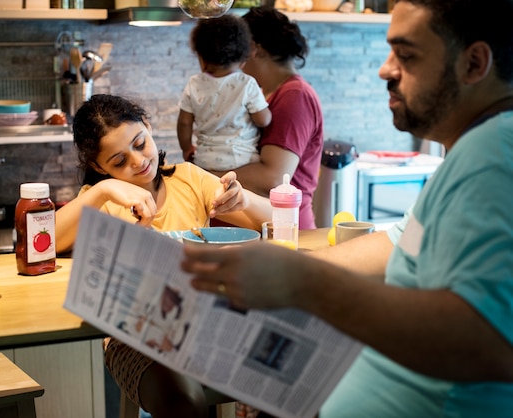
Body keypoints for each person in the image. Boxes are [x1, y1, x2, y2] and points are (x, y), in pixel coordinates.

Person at [182, 1, 513, 417]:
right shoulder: (469, 154)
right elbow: (398, 245)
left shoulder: (497, 155)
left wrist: (301, 283)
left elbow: (488, 341)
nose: (385, 69)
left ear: (474, 63)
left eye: (406, 55)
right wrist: (273, 263)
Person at [54, 94, 272, 418]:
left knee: (284, 381)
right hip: (133, 336)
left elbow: (273, 220)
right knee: (184, 404)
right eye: (118, 162)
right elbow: (44, 242)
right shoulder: (100, 201)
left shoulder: (188, 178)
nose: (138, 162)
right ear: (98, 167)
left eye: (140, 144)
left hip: (209, 320)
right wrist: (102, 190)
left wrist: (244, 201)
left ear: (148, 126)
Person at [210, 6, 324, 230]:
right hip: (262, 228)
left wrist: (203, 174)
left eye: (238, 48)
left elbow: (273, 177)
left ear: (254, 48)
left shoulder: (295, 96)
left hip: (284, 231)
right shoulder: (263, 96)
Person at [177, 14, 272, 171]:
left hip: (204, 162)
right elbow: (263, 120)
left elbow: (184, 123)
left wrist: (186, 148)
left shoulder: (194, 83)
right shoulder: (247, 83)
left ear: (202, 58)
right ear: (243, 60)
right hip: (242, 160)